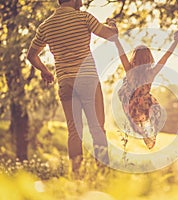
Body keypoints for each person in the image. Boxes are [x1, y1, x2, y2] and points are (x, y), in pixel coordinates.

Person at [27, 0, 118, 173]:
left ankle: (76, 177)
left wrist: (45, 71)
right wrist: (112, 24)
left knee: (74, 132)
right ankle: (101, 175)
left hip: (65, 83)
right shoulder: (83, 18)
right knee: (97, 128)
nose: (82, 2)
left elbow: (32, 55)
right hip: (88, 80)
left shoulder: (46, 26)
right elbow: (112, 35)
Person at [108, 19, 178, 149]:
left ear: (134, 58)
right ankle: (147, 131)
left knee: (140, 117)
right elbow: (166, 57)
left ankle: (141, 129)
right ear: (149, 58)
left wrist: (116, 39)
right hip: (146, 105)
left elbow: (121, 53)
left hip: (132, 106)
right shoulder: (151, 73)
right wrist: (176, 41)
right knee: (152, 111)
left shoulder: (130, 71)